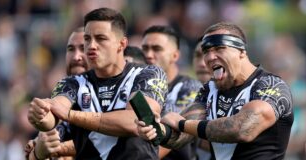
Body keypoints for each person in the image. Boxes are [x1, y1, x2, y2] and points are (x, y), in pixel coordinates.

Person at [137, 22, 293, 160]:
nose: (210, 57)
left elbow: (242, 129)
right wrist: (157, 131)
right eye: (206, 51)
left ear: (241, 51)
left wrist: (182, 123)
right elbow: (182, 137)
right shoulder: (210, 89)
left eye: (219, 48)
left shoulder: (271, 85)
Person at [27, 7, 168, 160]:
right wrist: (41, 115)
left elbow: (135, 121)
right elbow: (53, 114)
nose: (91, 46)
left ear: (121, 44)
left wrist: (70, 115)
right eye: (87, 39)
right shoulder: (73, 83)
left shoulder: (147, 75)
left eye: (101, 38)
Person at [25, 27, 87, 160]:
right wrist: (38, 154)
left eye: (83, 48)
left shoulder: (118, 95)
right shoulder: (64, 91)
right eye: (71, 49)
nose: (76, 56)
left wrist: (60, 149)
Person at [141, 25, 202, 160]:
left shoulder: (191, 88)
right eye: (145, 48)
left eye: (157, 49)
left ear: (175, 55)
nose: (148, 55)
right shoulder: (136, 85)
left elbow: (176, 131)